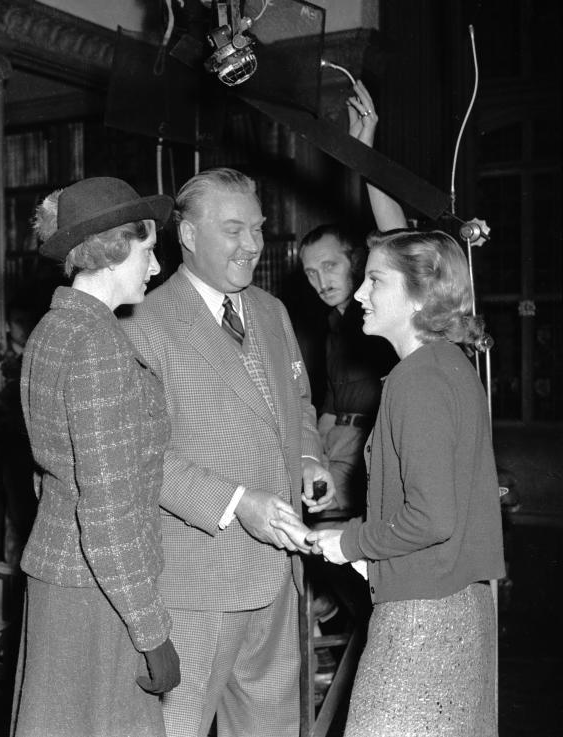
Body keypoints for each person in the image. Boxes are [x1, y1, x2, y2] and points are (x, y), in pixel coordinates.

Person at [121, 167, 334, 737]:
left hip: (278, 579)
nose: (254, 245)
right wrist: (237, 501)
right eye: (234, 230)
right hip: (196, 584)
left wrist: (309, 459)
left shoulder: (271, 311)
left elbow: (299, 402)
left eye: (259, 229)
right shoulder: (142, 322)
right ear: (187, 236)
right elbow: (139, 457)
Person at [307, 229, 505, 737]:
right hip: (458, 609)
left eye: (375, 280)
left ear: (420, 292)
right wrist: (353, 539)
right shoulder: (449, 367)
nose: (358, 294)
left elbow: (431, 517)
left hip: (421, 623)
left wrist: (352, 540)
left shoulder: (416, 379)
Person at [10, 177, 180, 737]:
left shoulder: (53, 331)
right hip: (97, 593)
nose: (155, 268)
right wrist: (151, 630)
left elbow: (50, 477)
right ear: (111, 250)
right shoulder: (97, 345)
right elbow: (107, 513)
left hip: (66, 575)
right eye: (148, 251)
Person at [298, 82, 404, 513]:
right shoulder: (331, 323)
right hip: (324, 437)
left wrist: (365, 151)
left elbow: (396, 234)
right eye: (309, 273)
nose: (320, 280)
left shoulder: (378, 313)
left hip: (364, 439)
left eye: (330, 266)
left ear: (356, 262)